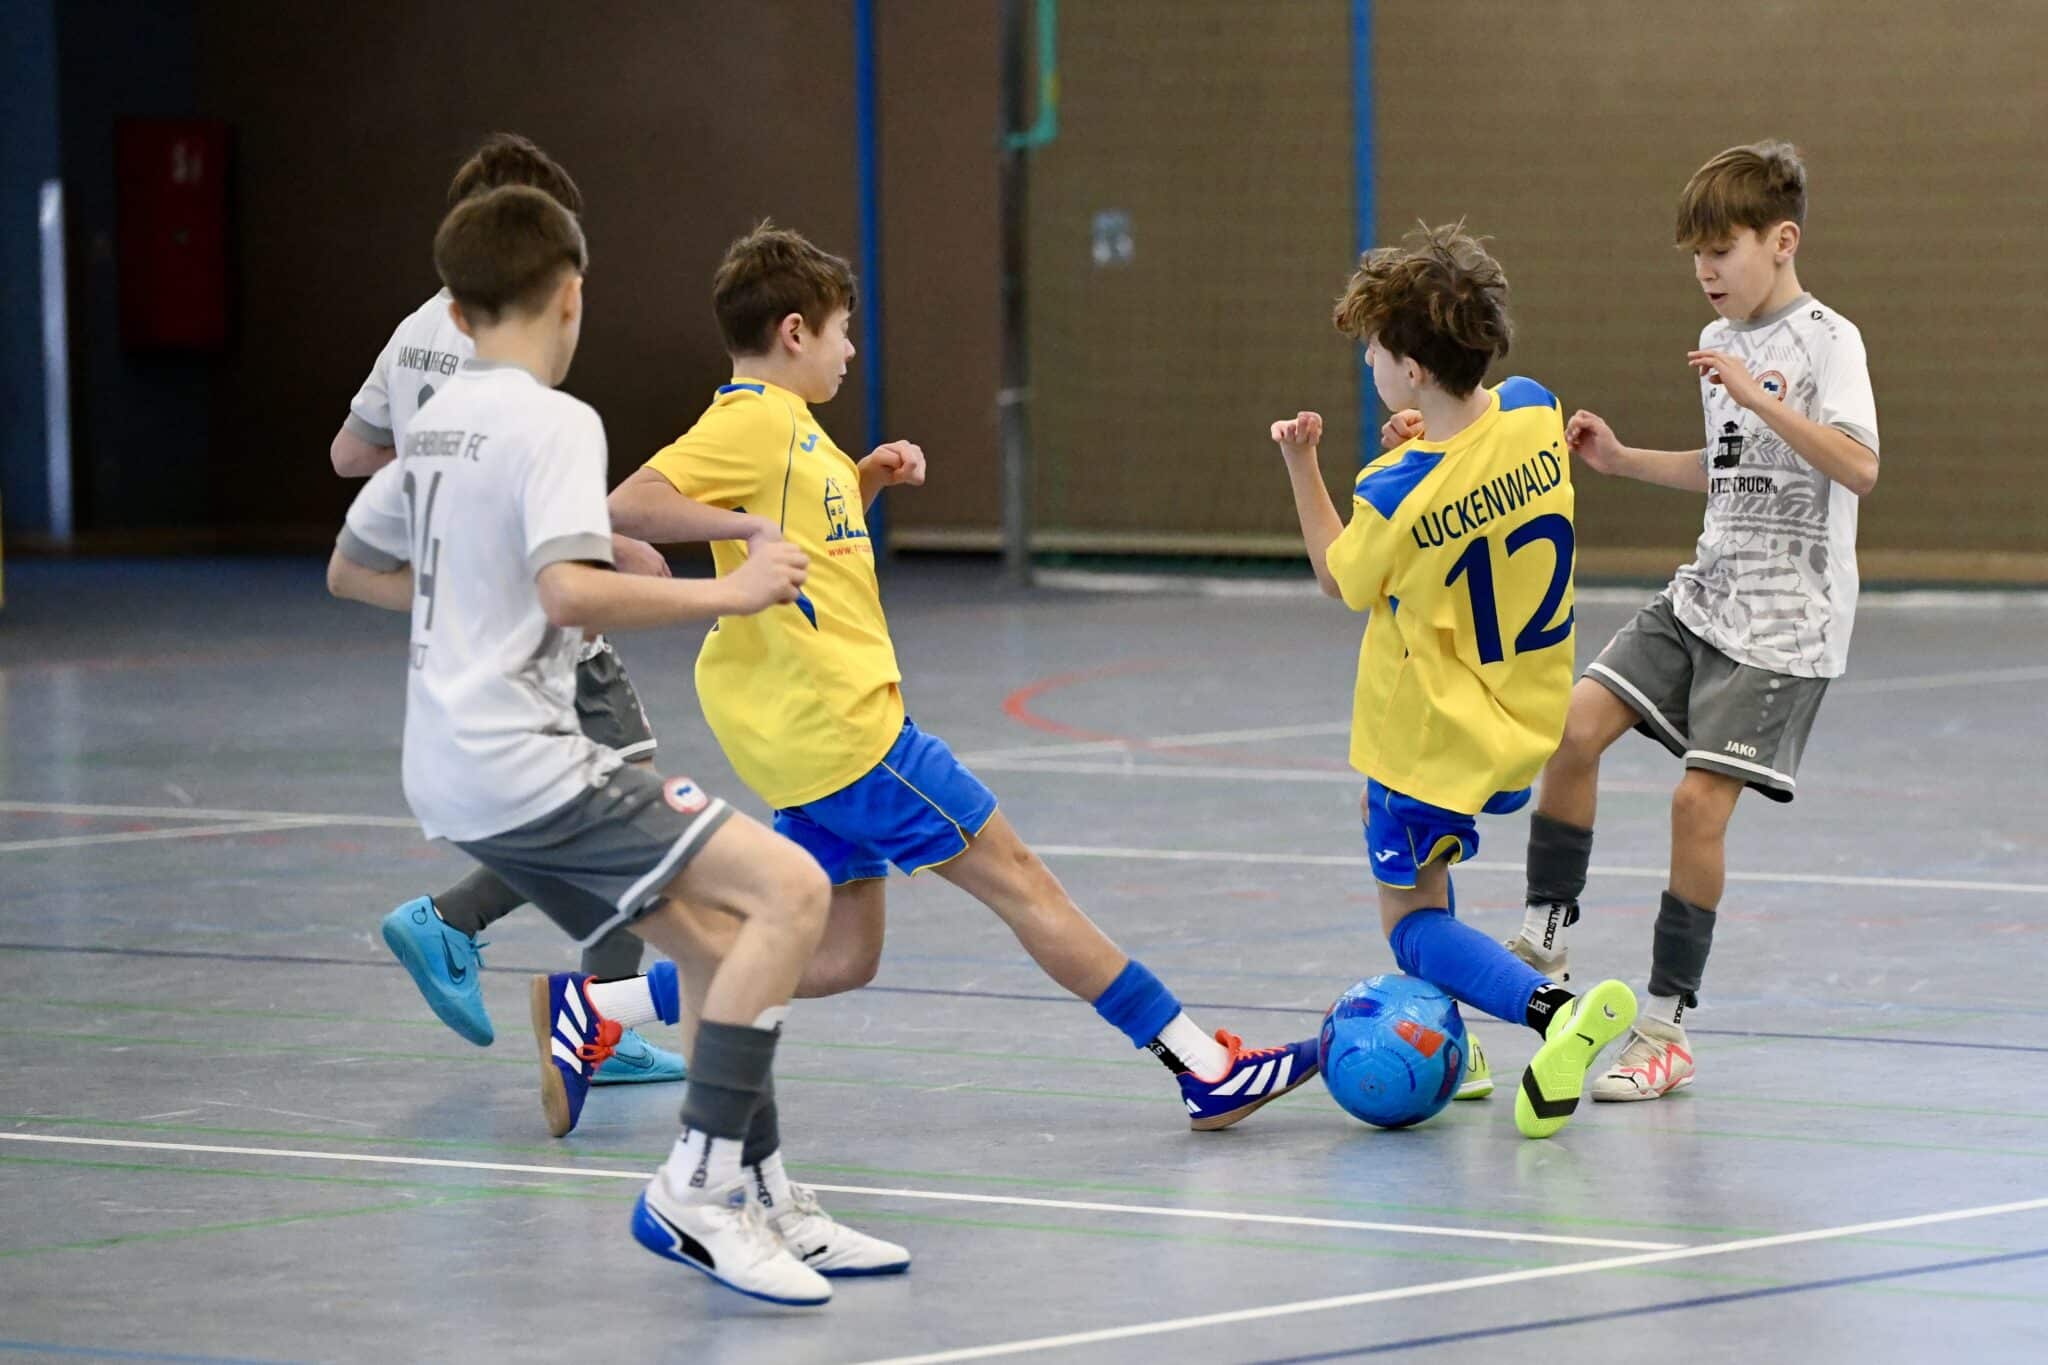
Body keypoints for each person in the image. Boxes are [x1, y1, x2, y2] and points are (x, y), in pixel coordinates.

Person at [608, 221, 1317, 1132]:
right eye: (840, 331)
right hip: (850, 733)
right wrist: (741, 542)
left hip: (805, 742)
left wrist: (862, 480)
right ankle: (1201, 1064)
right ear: (793, 332)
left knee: (845, 952)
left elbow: (813, 550)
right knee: (1023, 880)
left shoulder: (798, 434)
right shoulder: (749, 421)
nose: (850, 349)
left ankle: (603, 1011)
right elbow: (630, 502)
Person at [326, 185, 904, 1303]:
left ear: (454, 305)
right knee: (786, 896)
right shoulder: (552, 421)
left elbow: (353, 568)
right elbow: (563, 587)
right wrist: (727, 597)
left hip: (445, 766)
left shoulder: (431, 420)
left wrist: (473, 614)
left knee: (707, 946)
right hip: (528, 763)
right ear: (570, 296)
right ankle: (695, 1189)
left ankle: (767, 1192)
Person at [1502, 141, 1879, 1102]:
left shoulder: (1830, 342)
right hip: (1705, 594)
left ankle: (1666, 1026)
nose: (1707, 270)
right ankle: (1546, 926)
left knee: (1694, 806)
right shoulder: (1723, 344)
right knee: (1574, 727)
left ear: (1782, 241)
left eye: (1723, 249)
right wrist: (1626, 460)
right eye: (1695, 255)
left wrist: (1757, 396)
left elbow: (1856, 465)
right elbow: (1734, 468)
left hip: (1789, 623)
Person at [1269, 222, 1636, 1140]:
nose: (1369, 365)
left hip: (1426, 738)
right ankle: (1457, 1045)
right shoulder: (1531, 409)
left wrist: (1301, 464)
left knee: (1411, 924)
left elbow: (1340, 575)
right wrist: (1421, 441)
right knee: (1423, 865)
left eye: (1376, 352)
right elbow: (1476, 468)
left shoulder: (1394, 489)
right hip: (1523, 715)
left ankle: (1555, 1013)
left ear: (1413, 368)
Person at [329, 133, 683, 1082]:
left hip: (462, 627)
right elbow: (514, 473)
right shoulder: (509, 362)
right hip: (538, 621)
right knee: (628, 796)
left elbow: (350, 456)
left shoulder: (416, 330)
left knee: (584, 801)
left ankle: (527, 970)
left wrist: (434, 493)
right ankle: (567, 1007)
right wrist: (623, 552)